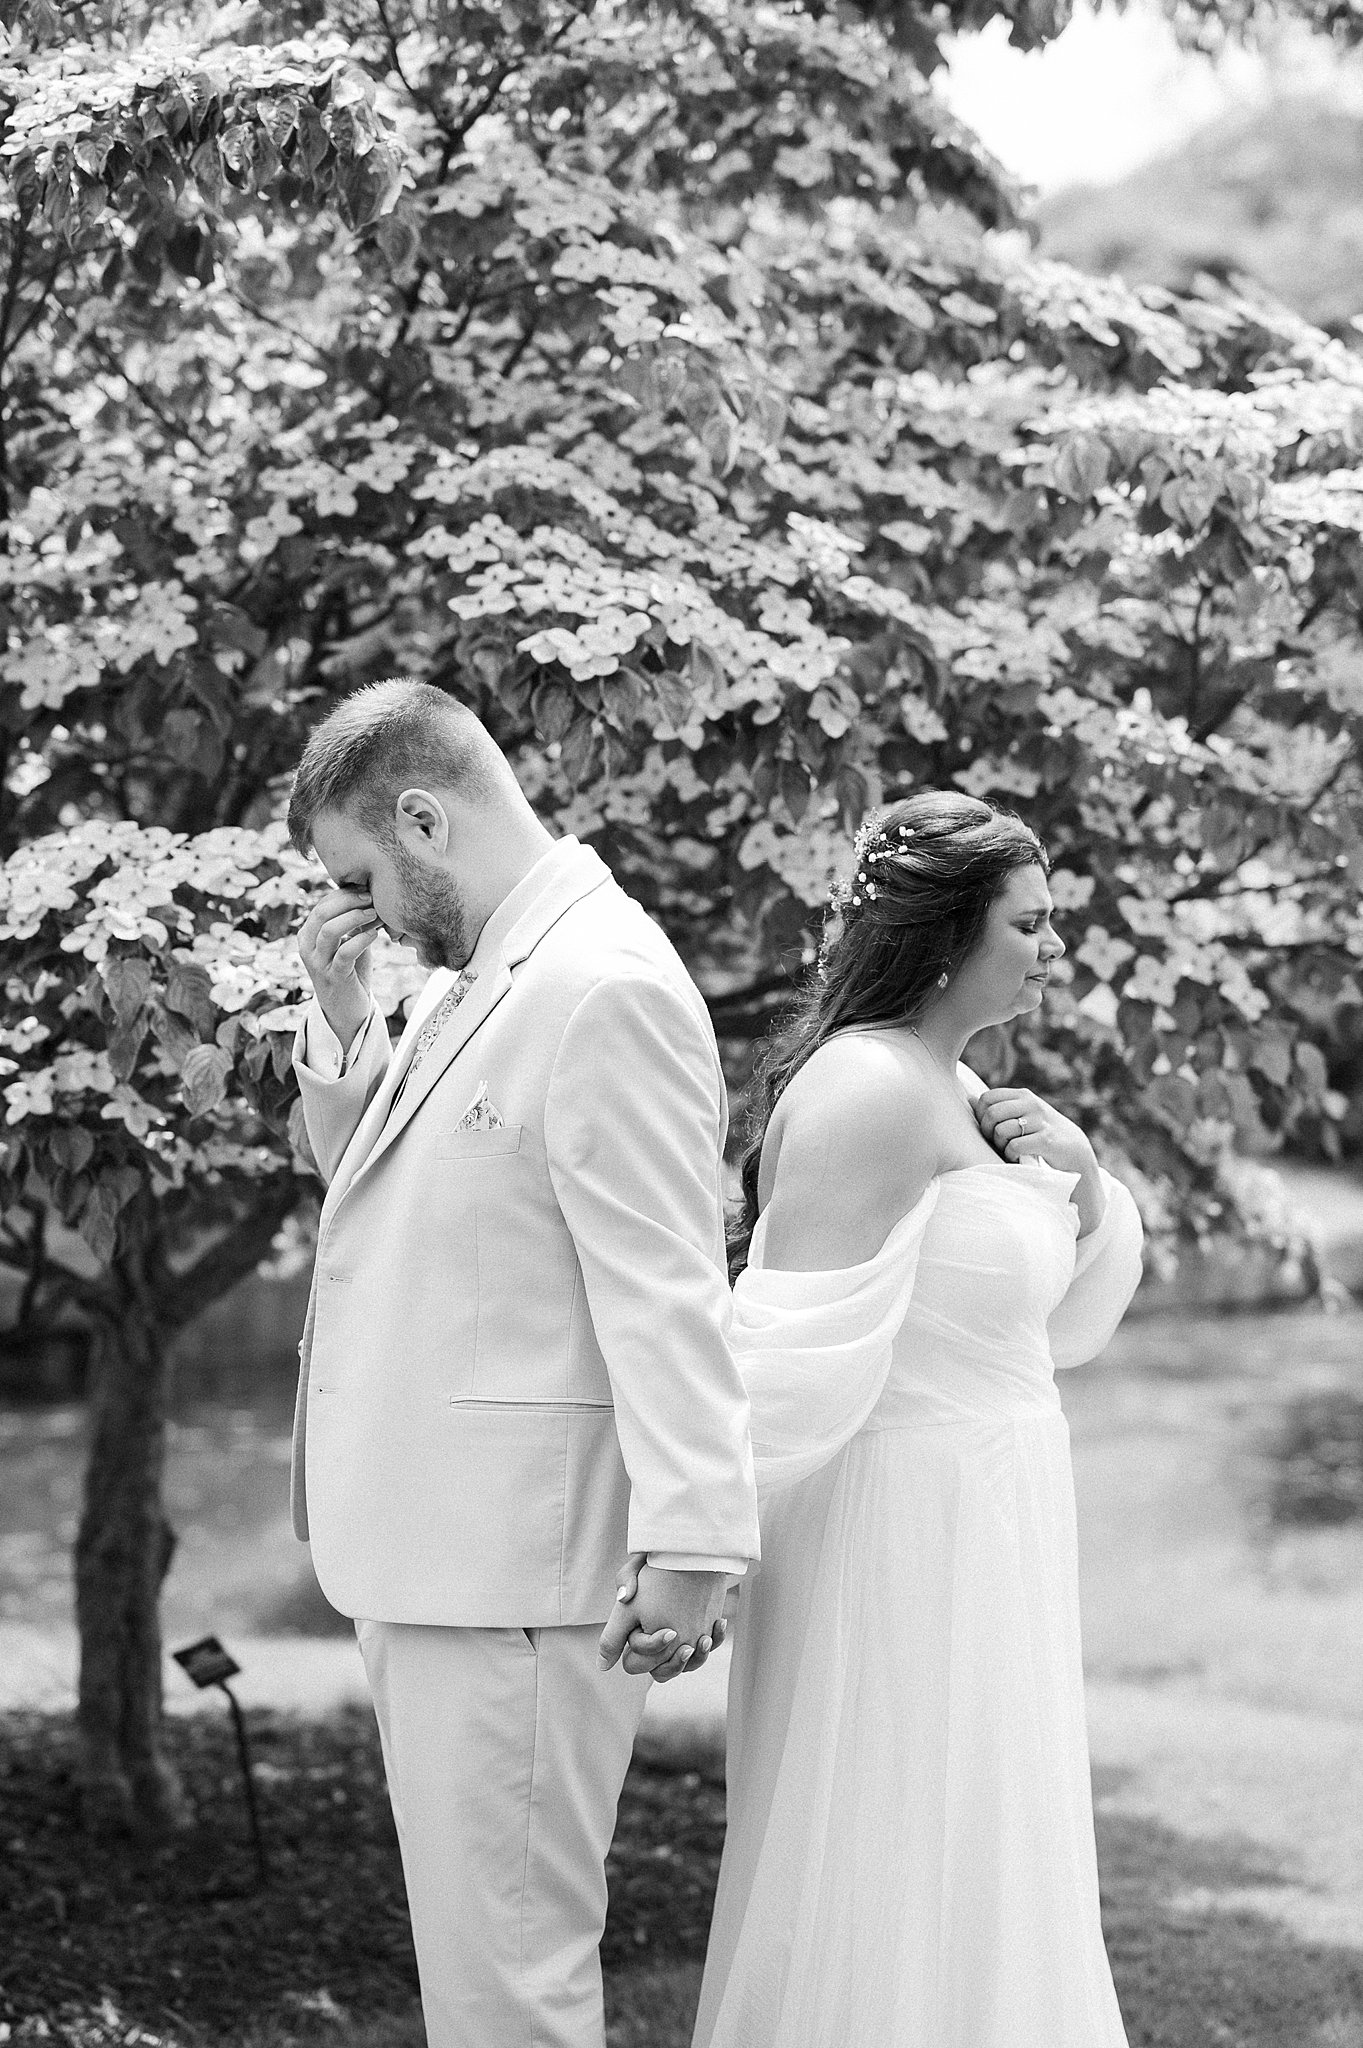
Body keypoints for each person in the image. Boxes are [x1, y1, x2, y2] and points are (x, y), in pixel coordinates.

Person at [285, 677, 759, 2048]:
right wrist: (333, 1011)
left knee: (510, 1990)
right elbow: (378, 1192)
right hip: (445, 1556)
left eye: (361, 876)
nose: (362, 911)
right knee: (477, 1980)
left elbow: (664, 1282)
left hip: (520, 1581)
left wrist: (691, 1541)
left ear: (423, 818)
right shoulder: (480, 972)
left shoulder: (598, 985)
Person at [637, 790, 1143, 2048]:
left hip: (994, 1522)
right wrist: (699, 1550)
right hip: (896, 1539)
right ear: (944, 932)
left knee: (984, 1858)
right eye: (1030, 922)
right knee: (892, 1850)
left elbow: (1048, 1328)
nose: (1054, 947)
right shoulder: (865, 1088)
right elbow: (781, 1351)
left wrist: (1076, 1175)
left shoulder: (958, 1084)